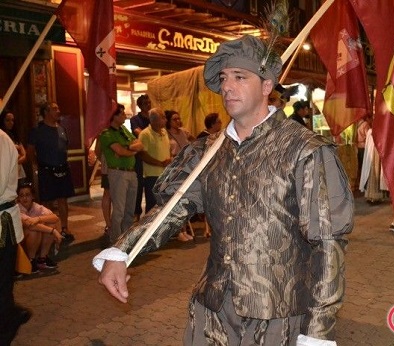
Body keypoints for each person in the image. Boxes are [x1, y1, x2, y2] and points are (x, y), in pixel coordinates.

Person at [94, 34, 354, 346]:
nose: (227, 87)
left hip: (277, 314)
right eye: (224, 77)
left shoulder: (304, 150)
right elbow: (171, 210)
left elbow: (328, 244)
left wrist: (319, 330)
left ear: (267, 85)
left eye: (240, 77)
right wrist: (122, 252)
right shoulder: (208, 150)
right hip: (213, 309)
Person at [0, 129, 32, 345]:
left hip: (2, 225)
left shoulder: (1, 140)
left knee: (1, 284)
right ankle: (11, 313)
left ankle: (7, 324)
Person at [27, 102, 75, 243]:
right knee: (47, 202)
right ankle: (48, 230)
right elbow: (30, 152)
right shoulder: (37, 131)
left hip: (63, 169)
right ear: (46, 112)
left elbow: (64, 147)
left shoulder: (61, 129)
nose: (58, 111)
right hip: (46, 170)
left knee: (62, 200)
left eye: (58, 108)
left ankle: (64, 228)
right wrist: (38, 166)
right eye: (55, 109)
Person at [99, 104, 144, 245]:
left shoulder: (124, 130)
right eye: (122, 113)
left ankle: (126, 239)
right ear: (115, 116)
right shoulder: (106, 133)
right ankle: (116, 241)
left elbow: (140, 144)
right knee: (119, 210)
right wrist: (129, 149)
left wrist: (129, 148)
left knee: (130, 209)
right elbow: (120, 151)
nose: (125, 115)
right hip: (117, 173)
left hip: (131, 172)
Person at [17, 182, 63, 272]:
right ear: (18, 198)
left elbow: (55, 218)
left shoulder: (36, 207)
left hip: (35, 242)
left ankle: (42, 259)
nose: (25, 198)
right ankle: (31, 260)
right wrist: (53, 231)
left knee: (50, 223)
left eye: (27, 195)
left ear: (32, 196)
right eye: (21, 195)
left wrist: (38, 218)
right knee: (34, 231)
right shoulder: (17, 208)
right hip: (21, 244)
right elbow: (29, 224)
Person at [165, 110, 196, 242]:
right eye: (174, 119)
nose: (178, 121)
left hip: (186, 169)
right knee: (175, 200)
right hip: (174, 170)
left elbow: (195, 141)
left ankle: (184, 229)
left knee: (185, 200)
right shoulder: (166, 134)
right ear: (168, 121)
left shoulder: (184, 132)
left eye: (179, 118)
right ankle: (178, 230)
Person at [138, 108, 171, 213]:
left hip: (166, 173)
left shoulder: (164, 132)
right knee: (153, 205)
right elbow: (143, 154)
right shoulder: (145, 134)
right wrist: (160, 163)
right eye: (163, 117)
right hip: (152, 175)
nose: (166, 120)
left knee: (165, 204)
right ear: (154, 120)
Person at [130, 94, 152, 222]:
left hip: (152, 154)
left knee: (151, 185)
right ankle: (136, 214)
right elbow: (138, 133)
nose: (148, 105)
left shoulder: (153, 117)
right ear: (140, 105)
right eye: (145, 103)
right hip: (140, 157)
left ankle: (150, 215)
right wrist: (151, 134)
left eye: (149, 103)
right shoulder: (135, 119)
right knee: (138, 187)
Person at [359, 128, 389, 203]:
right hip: (374, 154)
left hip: (376, 154)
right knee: (374, 174)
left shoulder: (372, 131)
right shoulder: (373, 131)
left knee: (376, 174)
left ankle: (374, 196)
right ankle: (373, 196)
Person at [0, 110, 27, 183]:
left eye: (12, 120)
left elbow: (24, 154)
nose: (11, 123)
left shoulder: (15, 135)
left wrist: (16, 162)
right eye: (7, 120)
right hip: (6, 170)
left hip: (17, 169)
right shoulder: (1, 136)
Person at [94, 136, 111, 234]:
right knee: (107, 194)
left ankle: (114, 223)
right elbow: (98, 151)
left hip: (120, 168)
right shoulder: (103, 133)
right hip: (108, 168)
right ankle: (108, 224)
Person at [356, 115, 372, 187]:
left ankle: (360, 183)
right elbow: (369, 136)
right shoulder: (365, 124)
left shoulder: (356, 124)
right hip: (364, 147)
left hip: (358, 146)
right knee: (365, 166)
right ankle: (365, 183)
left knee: (360, 166)